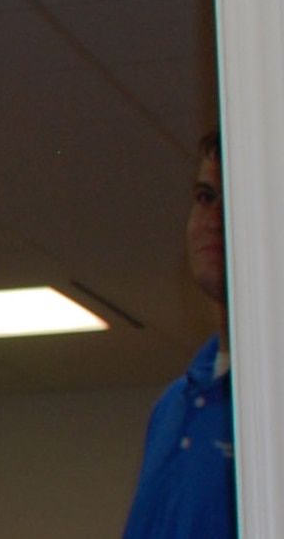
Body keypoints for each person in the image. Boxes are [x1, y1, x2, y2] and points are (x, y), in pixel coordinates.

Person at [123, 132, 236, 537]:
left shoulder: (266, 399)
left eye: (234, 200)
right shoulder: (173, 407)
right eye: (206, 197)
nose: (214, 219)